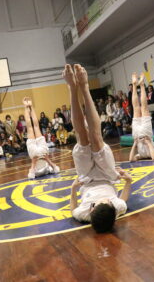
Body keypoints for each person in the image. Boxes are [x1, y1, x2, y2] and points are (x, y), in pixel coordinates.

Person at [63, 64, 132, 233]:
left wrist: (73, 190)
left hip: (85, 178)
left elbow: (73, 211)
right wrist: (128, 181)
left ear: (91, 210)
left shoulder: (85, 215)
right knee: (96, 137)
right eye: (107, 203)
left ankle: (72, 88)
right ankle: (85, 88)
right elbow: (123, 200)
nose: (101, 202)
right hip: (107, 175)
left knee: (82, 137)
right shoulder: (117, 209)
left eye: (95, 206)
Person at [22, 97, 60, 179]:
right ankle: (29, 106)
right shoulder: (47, 169)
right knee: (33, 127)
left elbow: (30, 176)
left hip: (38, 153)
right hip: (40, 153)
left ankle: (27, 106)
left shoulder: (37, 171)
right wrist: (46, 159)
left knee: (32, 127)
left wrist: (35, 162)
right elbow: (56, 169)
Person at [129, 73, 154, 162]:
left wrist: (134, 144)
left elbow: (131, 159)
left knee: (138, 107)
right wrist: (149, 143)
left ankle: (138, 85)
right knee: (141, 107)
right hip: (145, 134)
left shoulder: (141, 155)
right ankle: (137, 85)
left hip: (138, 135)